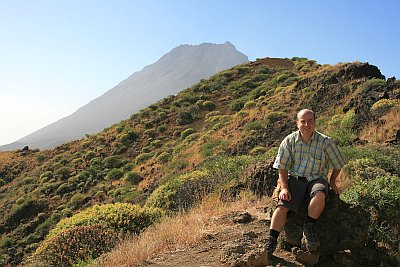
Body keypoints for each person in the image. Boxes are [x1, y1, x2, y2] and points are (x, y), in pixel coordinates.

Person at [266, 109, 345, 259]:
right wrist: (284, 187)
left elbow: (338, 163)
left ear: (315, 122)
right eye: (303, 121)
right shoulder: (289, 141)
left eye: (310, 121)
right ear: (297, 123)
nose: (307, 124)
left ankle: (309, 227)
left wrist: (332, 181)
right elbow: (282, 167)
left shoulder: (325, 142)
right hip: (295, 179)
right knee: (282, 205)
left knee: (320, 194)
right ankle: (271, 240)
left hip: (317, 179)